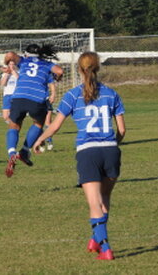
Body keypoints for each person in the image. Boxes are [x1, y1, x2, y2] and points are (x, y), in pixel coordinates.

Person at [33, 52, 126, 261]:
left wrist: (39, 139)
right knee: (105, 199)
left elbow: (55, 126)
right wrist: (112, 146)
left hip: (88, 152)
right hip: (111, 150)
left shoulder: (73, 95)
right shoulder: (112, 94)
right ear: (98, 68)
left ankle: (106, 248)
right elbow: (122, 130)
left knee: (94, 204)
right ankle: (95, 239)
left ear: (79, 70)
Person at [3, 43, 63, 178]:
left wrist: (7, 65)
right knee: (38, 124)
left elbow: (10, 55)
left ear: (26, 54)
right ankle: (24, 151)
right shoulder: (47, 64)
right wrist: (58, 78)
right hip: (37, 99)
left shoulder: (24, 61)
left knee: (14, 125)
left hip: (19, 96)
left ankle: (12, 153)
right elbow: (59, 71)